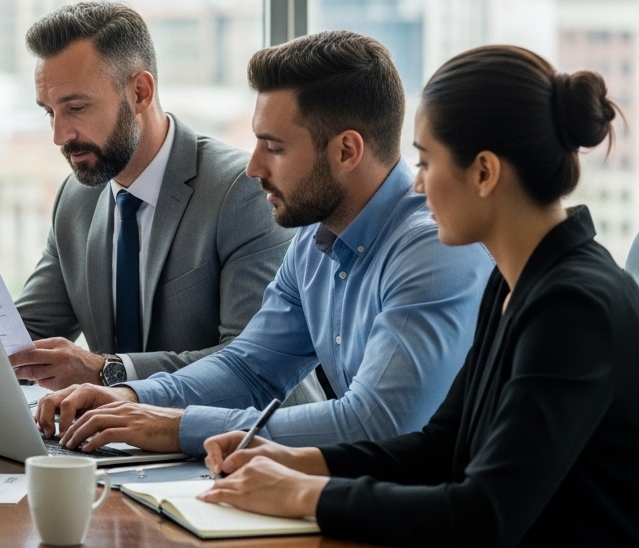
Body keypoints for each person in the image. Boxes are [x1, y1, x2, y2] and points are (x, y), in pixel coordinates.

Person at [196, 45, 639, 547]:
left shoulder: (573, 307)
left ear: (485, 173)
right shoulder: (515, 283)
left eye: (426, 163)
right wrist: (295, 460)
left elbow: (484, 514)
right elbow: (441, 447)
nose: (419, 186)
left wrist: (304, 495)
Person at [36, 30, 493, 457]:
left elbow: (379, 423)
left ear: (347, 151)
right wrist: (130, 396)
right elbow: (248, 367)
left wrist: (174, 427)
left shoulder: (432, 250)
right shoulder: (313, 241)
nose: (253, 168)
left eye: (273, 148)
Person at [0, 1, 309, 395]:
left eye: (76, 108)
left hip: (241, 447)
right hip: (122, 447)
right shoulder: (78, 197)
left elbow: (250, 360)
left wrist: (108, 371)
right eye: (49, 112)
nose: (59, 135)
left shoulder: (241, 191)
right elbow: (26, 333)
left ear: (140, 92)